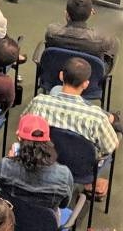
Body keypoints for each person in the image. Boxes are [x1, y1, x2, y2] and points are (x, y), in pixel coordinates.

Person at [24, 57, 119, 195]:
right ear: (86, 84)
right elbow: (111, 146)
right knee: (107, 149)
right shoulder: (97, 117)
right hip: (81, 169)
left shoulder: (39, 102)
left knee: (56, 90)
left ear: (61, 75)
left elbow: (24, 126)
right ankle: (89, 183)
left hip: (42, 159)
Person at [0, 113, 73, 209]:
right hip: (43, 226)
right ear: (48, 139)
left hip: (8, 220)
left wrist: (9, 160)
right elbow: (63, 204)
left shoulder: (5, 166)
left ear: (19, 137)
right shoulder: (64, 174)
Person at [44, 0, 118, 69]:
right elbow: (109, 43)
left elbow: (61, 29)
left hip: (57, 71)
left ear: (67, 14)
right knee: (115, 44)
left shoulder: (52, 32)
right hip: (89, 76)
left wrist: (69, 19)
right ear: (90, 14)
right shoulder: (101, 39)